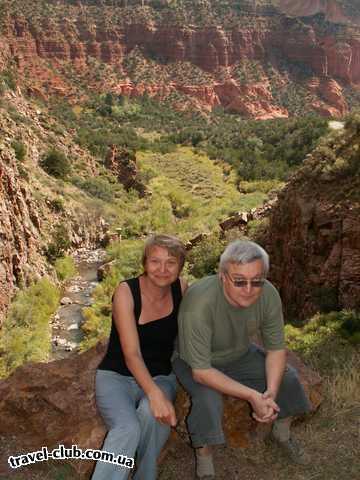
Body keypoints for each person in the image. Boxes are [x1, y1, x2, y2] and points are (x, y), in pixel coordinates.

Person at [172, 239, 310, 479]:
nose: (248, 289)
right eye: (239, 281)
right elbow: (201, 372)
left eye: (256, 280)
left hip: (240, 354)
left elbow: (276, 349)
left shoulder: (268, 295)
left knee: (287, 378)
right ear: (222, 276)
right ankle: (204, 460)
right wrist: (251, 395)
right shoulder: (199, 303)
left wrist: (269, 393)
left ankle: (282, 433)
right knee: (207, 398)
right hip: (194, 360)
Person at [92, 234, 187, 480]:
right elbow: (131, 353)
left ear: (180, 266)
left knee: (152, 415)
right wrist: (155, 394)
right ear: (144, 263)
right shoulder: (126, 291)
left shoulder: (182, 289)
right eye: (155, 261)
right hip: (116, 376)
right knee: (127, 428)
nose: (162, 270)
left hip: (160, 375)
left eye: (171, 262)